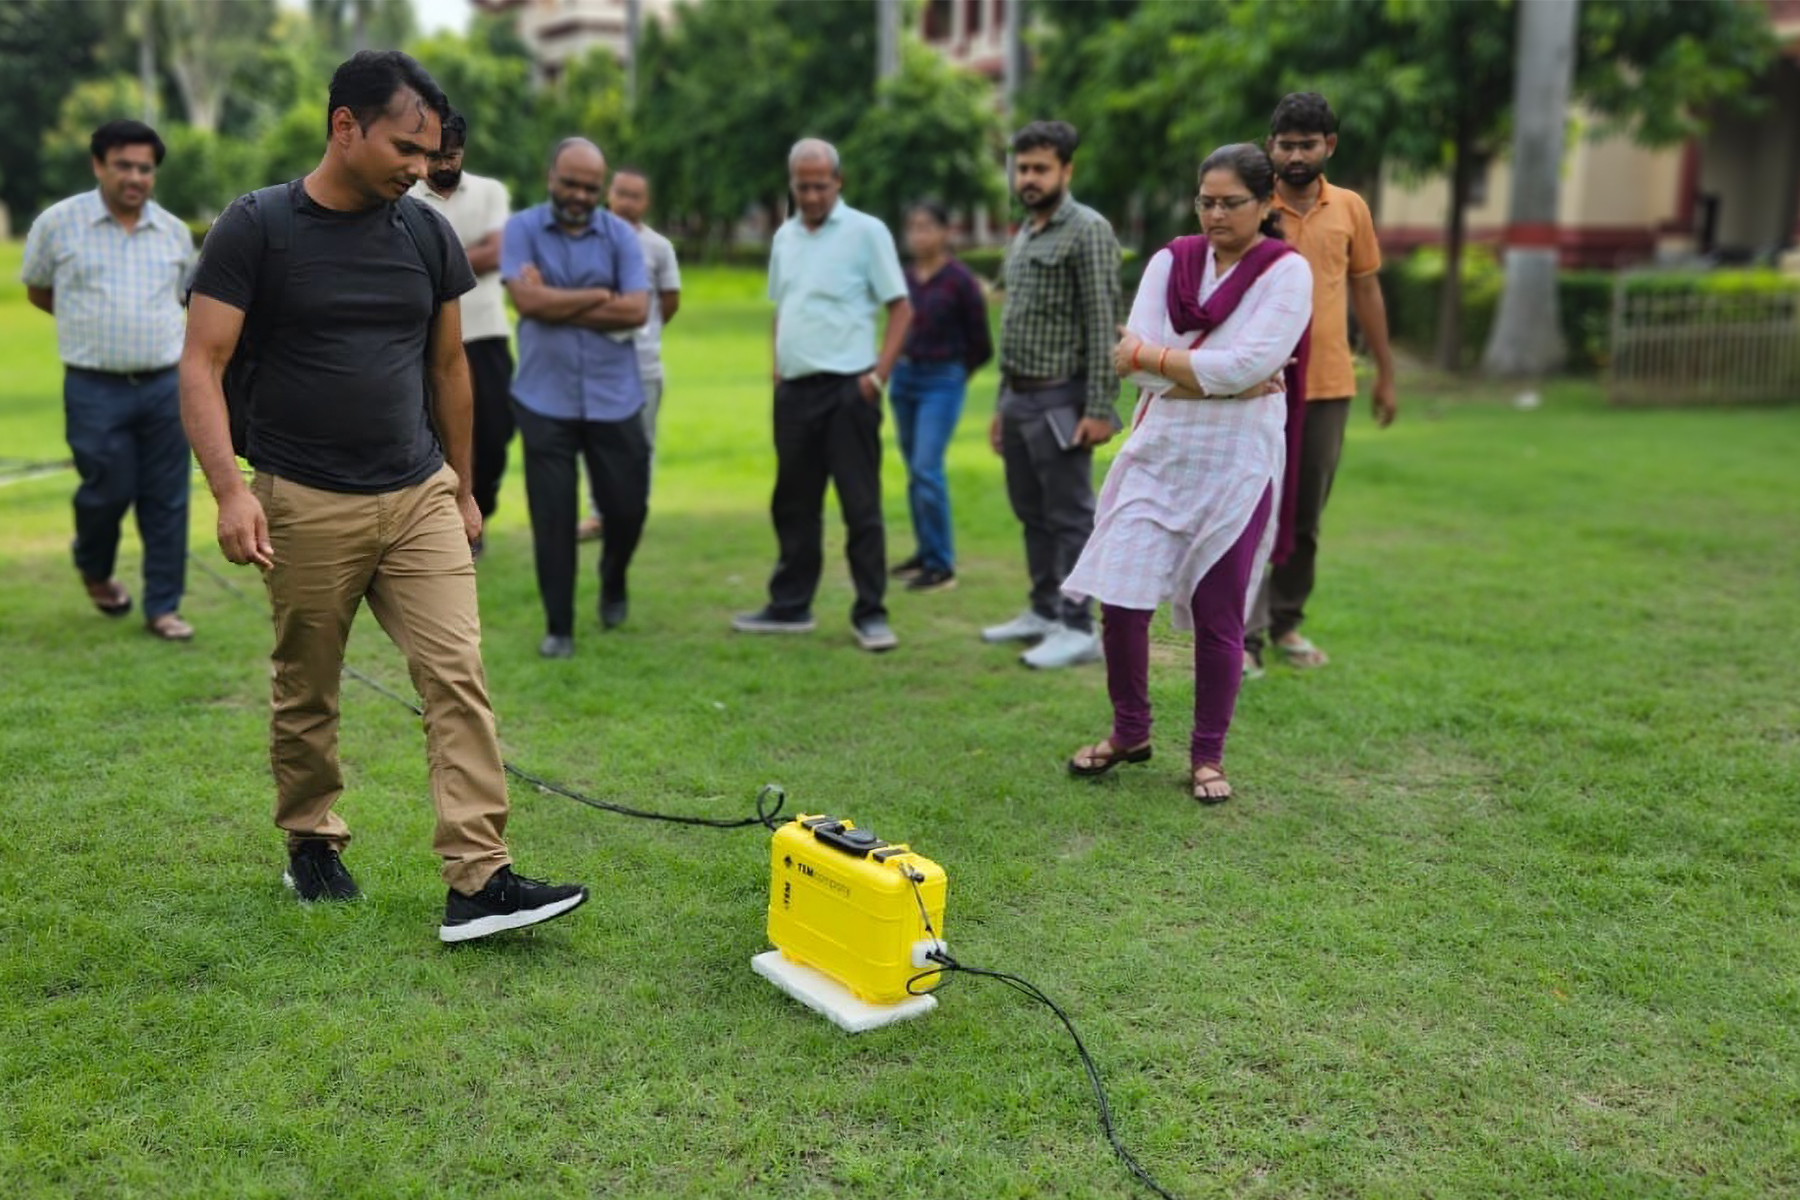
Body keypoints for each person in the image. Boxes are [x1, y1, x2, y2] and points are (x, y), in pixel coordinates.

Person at [180, 50, 588, 942]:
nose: (421, 166)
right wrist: (229, 493)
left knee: (458, 674)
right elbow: (202, 363)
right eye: (406, 147)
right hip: (302, 498)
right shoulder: (256, 228)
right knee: (308, 685)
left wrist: (465, 489)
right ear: (344, 127)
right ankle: (311, 841)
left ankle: (479, 879)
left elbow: (450, 368)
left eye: (429, 150)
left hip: (417, 494)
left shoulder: (425, 232)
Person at [1062, 143, 1313, 804]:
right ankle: (1131, 731)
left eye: (1232, 203)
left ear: (1265, 206)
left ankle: (1207, 756)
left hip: (1238, 460)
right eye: (1207, 200)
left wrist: (1164, 359)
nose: (1216, 213)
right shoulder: (1171, 261)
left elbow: (1246, 363)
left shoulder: (1286, 273)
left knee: (1218, 611)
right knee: (1120, 595)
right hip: (1162, 450)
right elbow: (1144, 366)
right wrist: (1223, 376)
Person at [731, 138, 912, 652]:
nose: (810, 195)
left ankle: (871, 612)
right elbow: (782, 308)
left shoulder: (866, 233)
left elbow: (901, 309)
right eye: (801, 185)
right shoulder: (785, 237)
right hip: (793, 393)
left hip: (848, 391)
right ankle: (790, 605)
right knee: (793, 503)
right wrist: (776, 371)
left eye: (819, 185)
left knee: (860, 506)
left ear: (838, 182)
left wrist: (876, 379)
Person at [21, 119, 197, 642]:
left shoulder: (172, 232)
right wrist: (90, 327)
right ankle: (93, 565)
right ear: (99, 164)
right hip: (94, 387)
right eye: (124, 165)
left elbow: (183, 300)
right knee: (107, 488)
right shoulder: (58, 224)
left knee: (168, 497)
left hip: (166, 384)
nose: (135, 177)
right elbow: (38, 290)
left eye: (145, 168)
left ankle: (163, 607)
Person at [1244, 92, 1396, 676]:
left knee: (1305, 515)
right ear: (1270, 147)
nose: (1296, 154)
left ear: (1329, 146)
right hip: (1260, 385)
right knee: (1255, 510)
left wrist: (1384, 371)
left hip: (1330, 383)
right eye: (1286, 144)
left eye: (1308, 144)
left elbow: (1366, 290)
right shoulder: (1253, 206)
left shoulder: (1351, 207)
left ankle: (1285, 622)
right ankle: (1246, 637)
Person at [502, 138, 651, 658]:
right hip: (544, 398)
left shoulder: (621, 238)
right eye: (571, 183)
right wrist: (596, 295)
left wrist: (554, 302)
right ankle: (559, 627)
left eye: (590, 187)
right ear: (551, 177)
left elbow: (636, 310)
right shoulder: (521, 229)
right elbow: (524, 300)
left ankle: (613, 578)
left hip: (616, 396)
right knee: (553, 517)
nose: (580, 195)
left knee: (628, 508)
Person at [982, 120, 1122, 670]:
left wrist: (1097, 408)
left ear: (1067, 170)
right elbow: (1015, 323)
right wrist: (1000, 405)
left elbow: (1101, 321)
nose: (1029, 178)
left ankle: (1077, 625)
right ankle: (1042, 610)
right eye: (1022, 168)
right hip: (1018, 397)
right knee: (1030, 510)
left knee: (1068, 515)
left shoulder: (1087, 230)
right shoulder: (1026, 233)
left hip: (1062, 399)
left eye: (1040, 168)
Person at [409, 108, 513, 553]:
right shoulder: (405, 196)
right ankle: (445, 521)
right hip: (429, 340)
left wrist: (437, 265)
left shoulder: (489, 192)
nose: (444, 166)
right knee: (437, 430)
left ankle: (479, 512)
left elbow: (501, 251)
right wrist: (471, 257)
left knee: (496, 431)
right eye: (436, 157)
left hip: (485, 332)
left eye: (451, 156)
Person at [888, 200, 993, 594]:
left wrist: (955, 376)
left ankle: (942, 565)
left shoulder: (960, 280)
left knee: (926, 467)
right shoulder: (903, 279)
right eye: (913, 227)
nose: (919, 235)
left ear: (946, 232)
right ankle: (925, 551)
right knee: (915, 472)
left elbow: (981, 343)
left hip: (942, 380)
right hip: (904, 379)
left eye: (927, 227)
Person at [576, 164, 681, 539]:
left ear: (646, 202)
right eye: (620, 193)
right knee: (594, 441)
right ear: (609, 194)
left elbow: (668, 302)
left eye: (635, 196)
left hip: (643, 364)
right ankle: (598, 513)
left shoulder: (659, 248)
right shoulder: (583, 238)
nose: (626, 202)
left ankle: (631, 510)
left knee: (641, 443)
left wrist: (643, 329)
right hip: (595, 362)